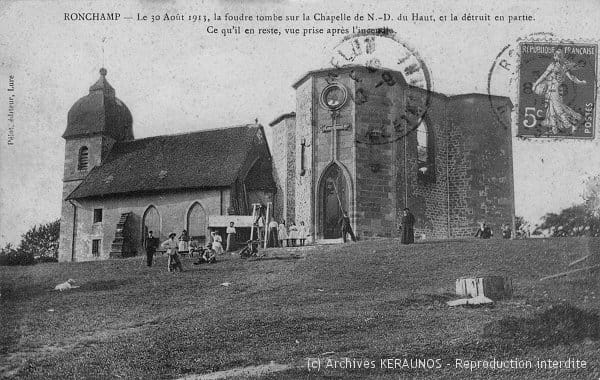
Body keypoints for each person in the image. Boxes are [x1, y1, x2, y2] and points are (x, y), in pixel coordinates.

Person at [533, 48, 587, 134]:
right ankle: (554, 130)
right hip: (549, 89)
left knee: (558, 109)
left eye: (559, 55)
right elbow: (544, 76)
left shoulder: (564, 67)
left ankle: (571, 125)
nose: (556, 57)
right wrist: (536, 84)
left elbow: (571, 77)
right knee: (551, 110)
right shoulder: (552, 65)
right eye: (556, 55)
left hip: (555, 89)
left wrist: (580, 82)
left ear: (561, 56)